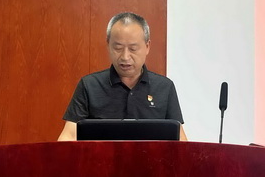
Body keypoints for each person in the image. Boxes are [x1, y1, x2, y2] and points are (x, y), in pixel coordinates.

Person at [57, 12, 186, 141]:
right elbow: (69, 136)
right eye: (118, 48)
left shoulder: (164, 87)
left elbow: (180, 139)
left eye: (133, 49)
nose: (125, 57)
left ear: (147, 47)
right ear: (108, 45)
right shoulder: (89, 85)